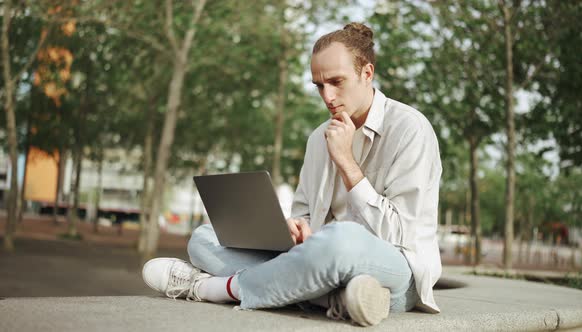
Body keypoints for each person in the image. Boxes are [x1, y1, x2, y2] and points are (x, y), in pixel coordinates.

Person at [142, 22, 442, 327]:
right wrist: (298, 229)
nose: (328, 96)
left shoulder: (410, 129)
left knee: (342, 238)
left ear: (367, 73)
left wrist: (347, 162)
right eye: (319, 85)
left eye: (337, 82)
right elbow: (306, 215)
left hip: (395, 273)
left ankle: (211, 288)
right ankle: (333, 299)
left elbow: (401, 235)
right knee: (204, 238)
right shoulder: (318, 138)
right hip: (322, 264)